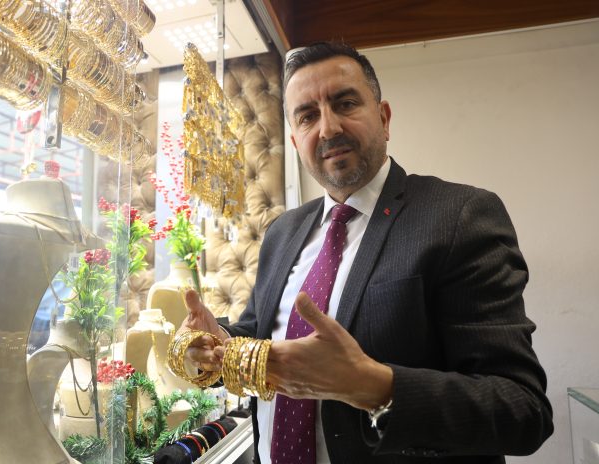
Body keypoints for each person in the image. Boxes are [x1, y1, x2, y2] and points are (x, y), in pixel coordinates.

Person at [178, 41, 553, 463]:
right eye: (307, 116)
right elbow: (263, 335)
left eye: (345, 103)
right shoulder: (283, 231)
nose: (328, 128)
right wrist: (220, 344)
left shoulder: (459, 216)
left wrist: (372, 386)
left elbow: (522, 409)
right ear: (295, 140)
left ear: (384, 118)